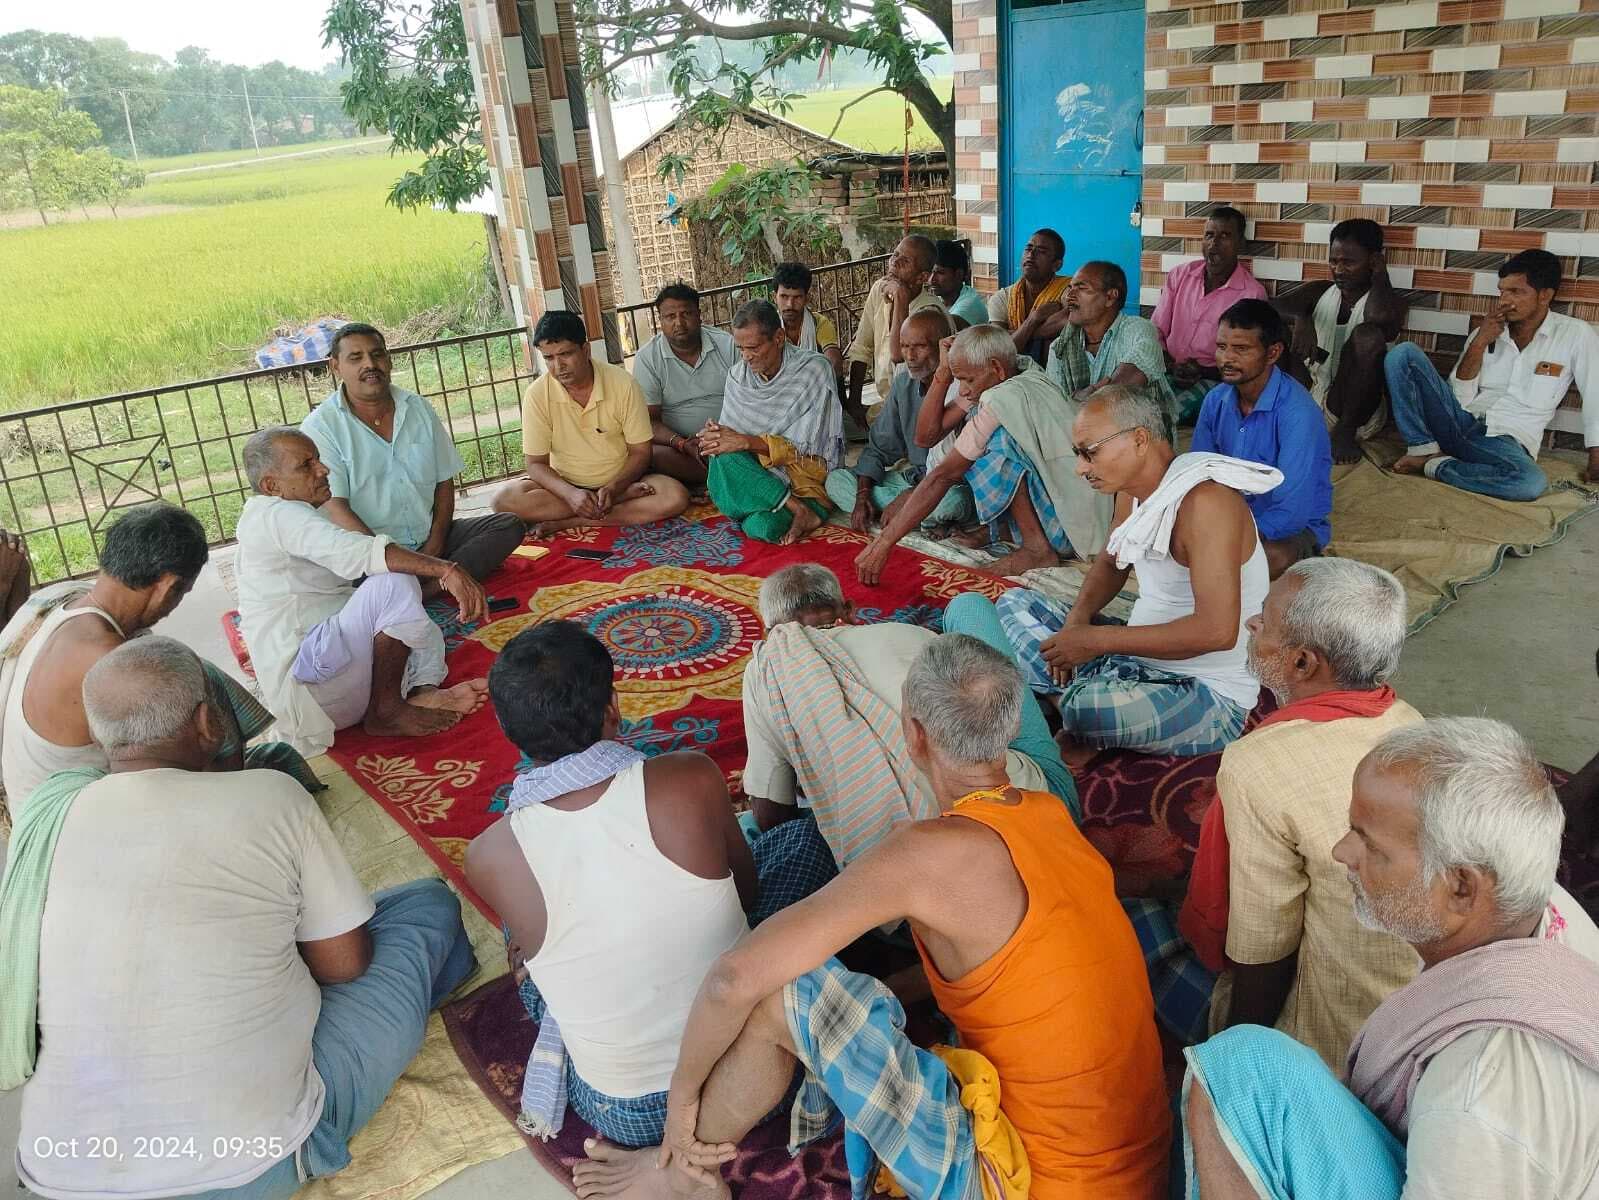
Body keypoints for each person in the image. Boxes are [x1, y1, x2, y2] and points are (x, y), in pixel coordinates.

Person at [570, 635, 1170, 1200]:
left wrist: (679, 1105)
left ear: (913, 734)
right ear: (1011, 728)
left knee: (786, 993)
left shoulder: (927, 853)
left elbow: (733, 979)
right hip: (1140, 1170)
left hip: (1028, 1184)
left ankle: (679, 1173)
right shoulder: (1049, 815)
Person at [4, 636, 477, 1199]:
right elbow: (344, 966)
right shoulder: (272, 795)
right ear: (208, 722)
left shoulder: (50, 813)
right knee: (426, 907)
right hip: (244, 1169)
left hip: (58, 1175)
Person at [1183, 717, 1599, 1200]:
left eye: (1370, 844)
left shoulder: (1477, 1099)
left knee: (1237, 1067)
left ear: (1461, 887)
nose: (1341, 852)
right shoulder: (1537, 908)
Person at [462, 621, 836, 1156]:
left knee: (525, 937)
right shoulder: (688, 776)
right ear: (613, 707)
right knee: (802, 840)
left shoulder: (488, 854)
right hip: (748, 1074)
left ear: (506, 729)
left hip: (618, 1111)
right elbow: (748, 896)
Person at [1124, 558, 1422, 1064]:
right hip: (1414, 1024)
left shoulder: (1258, 763)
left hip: (1332, 1046)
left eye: (1265, 620)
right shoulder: (1409, 721)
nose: (1252, 624)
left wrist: (1243, 1053)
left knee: (1127, 920)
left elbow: (1262, 949)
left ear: (1302, 663)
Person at [990, 386, 1275, 765]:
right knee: (1012, 604)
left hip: (1206, 692)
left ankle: (1070, 705)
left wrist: (1098, 641)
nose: (1080, 468)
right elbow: (1111, 563)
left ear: (1139, 439)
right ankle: (1073, 701)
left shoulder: (1207, 503)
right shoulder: (1132, 492)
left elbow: (1218, 632)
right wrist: (1075, 627)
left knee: (1089, 708)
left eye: (1090, 452)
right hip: (1130, 656)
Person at [743, 565, 1079, 881]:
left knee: (750, 826)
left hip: (921, 876)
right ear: (849, 610)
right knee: (968, 606)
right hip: (1049, 820)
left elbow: (771, 815)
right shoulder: (914, 635)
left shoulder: (770, 668)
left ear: (769, 632)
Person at [0, 502, 318, 820]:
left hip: (29, 801)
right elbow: (191, 767)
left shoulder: (61, 596)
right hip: (68, 821)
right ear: (168, 587)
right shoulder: (114, 663)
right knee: (267, 785)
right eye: (183, 592)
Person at [237, 427, 489, 758]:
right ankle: (387, 711)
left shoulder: (291, 511)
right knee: (395, 583)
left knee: (416, 620)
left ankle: (421, 691)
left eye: (318, 460)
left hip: (336, 683)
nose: (323, 469)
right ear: (272, 486)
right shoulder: (277, 514)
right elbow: (360, 554)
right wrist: (446, 570)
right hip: (311, 692)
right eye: (306, 465)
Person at [854, 324, 1111, 582]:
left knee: (991, 446)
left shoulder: (1000, 398)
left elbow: (943, 476)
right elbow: (925, 438)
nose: (962, 389)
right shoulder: (1024, 371)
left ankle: (1036, 548)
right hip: (1080, 516)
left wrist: (883, 543)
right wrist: (943, 372)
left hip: (1069, 529)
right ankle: (1006, 532)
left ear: (997, 368)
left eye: (967, 380)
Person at [301, 322, 526, 581]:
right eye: (356, 358)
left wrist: (435, 543)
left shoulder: (417, 407)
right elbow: (336, 508)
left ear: (388, 360)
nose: (370, 365)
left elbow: (444, 481)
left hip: (428, 540)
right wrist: (394, 558)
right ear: (335, 366)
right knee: (356, 576)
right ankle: (434, 582)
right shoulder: (321, 427)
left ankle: (427, 586)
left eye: (377, 354)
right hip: (369, 552)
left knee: (507, 526)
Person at [1387, 248, 1599, 496]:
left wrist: (1596, 456)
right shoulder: (1487, 331)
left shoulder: (1574, 335)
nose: (1504, 301)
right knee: (1403, 354)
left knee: (1529, 483)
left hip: (1505, 441)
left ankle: (1436, 464)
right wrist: (1479, 343)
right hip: (1459, 421)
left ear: (1545, 295)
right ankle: (1422, 448)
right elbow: (1459, 396)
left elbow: (1595, 393)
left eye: (1516, 292)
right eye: (1502, 291)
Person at [492, 310, 690, 532]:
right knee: (504, 500)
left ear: (585, 350)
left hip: (620, 481)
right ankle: (614, 503)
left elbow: (641, 452)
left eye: (565, 354)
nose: (558, 366)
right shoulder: (537, 395)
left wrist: (614, 488)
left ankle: (578, 520)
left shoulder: (623, 384)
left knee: (674, 496)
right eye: (549, 358)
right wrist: (571, 494)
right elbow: (535, 464)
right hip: (565, 488)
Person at [1191, 299, 1333, 578]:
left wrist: (1230, 539)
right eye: (1221, 347)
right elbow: (1198, 475)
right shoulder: (1215, 401)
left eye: (1241, 349)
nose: (1227, 358)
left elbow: (1291, 511)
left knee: (1268, 559)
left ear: (1272, 353)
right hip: (1226, 519)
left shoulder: (1299, 413)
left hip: (1283, 529)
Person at [823, 309, 977, 537]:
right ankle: (909, 515)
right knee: (836, 481)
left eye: (920, 346)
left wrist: (910, 497)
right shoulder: (904, 382)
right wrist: (862, 496)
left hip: (946, 486)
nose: (910, 356)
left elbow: (965, 470)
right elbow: (878, 448)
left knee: (955, 501)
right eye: (904, 346)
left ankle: (904, 513)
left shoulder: (965, 388)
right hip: (912, 480)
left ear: (943, 347)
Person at [701, 299, 841, 545]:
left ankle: (779, 503)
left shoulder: (814, 370)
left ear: (778, 338)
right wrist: (716, 435)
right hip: (758, 472)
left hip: (802, 479)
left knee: (763, 526)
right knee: (719, 455)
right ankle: (796, 509)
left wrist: (747, 442)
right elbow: (731, 439)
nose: (746, 357)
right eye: (740, 348)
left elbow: (810, 450)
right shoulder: (737, 376)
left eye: (753, 348)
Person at [1276, 219, 1407, 463]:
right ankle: (1280, 411)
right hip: (1310, 394)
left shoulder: (1390, 303)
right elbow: (1266, 307)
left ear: (1374, 261)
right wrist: (1300, 317)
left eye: (1349, 262)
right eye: (1334, 261)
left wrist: (1381, 275)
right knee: (1271, 326)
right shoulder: (1320, 291)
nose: (1338, 270)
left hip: (1354, 414)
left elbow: (1379, 320)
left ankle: (1344, 433)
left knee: (1367, 336)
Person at [1150, 207, 1267, 424]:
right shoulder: (1180, 275)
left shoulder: (1252, 293)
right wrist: (1169, 364)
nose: (1214, 243)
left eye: (1225, 236)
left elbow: (1247, 359)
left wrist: (1202, 371)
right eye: (1209, 235)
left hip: (1215, 379)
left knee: (1164, 415)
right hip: (1166, 368)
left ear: (1241, 244)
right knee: (1131, 404)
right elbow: (1156, 331)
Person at [632, 283, 737, 486]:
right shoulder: (648, 358)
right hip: (683, 448)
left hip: (729, 437)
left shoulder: (726, 344)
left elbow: (748, 400)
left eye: (686, 314)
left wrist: (724, 436)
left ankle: (718, 480)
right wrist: (682, 443)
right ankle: (728, 478)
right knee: (652, 454)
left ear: (699, 315)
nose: (679, 323)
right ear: (660, 321)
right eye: (670, 317)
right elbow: (649, 422)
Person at [1045, 260, 1175, 421]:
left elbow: (1130, 379)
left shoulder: (1138, 329)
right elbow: (1054, 410)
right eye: (1070, 288)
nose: (1069, 296)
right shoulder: (1059, 347)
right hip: (1077, 432)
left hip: (1139, 431)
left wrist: (1086, 399)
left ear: (1110, 297)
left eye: (1081, 288)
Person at [845, 235, 950, 424]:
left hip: (919, 408)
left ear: (922, 277)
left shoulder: (929, 313)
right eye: (895, 255)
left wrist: (901, 296)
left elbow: (898, 357)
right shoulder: (880, 289)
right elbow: (862, 348)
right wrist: (854, 404)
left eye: (905, 261)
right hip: (886, 405)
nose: (895, 262)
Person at [986, 227, 1072, 365]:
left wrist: (1017, 334)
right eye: (1028, 248)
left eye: (1042, 251)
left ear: (1057, 265)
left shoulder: (1067, 289)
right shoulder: (1002, 298)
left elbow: (1069, 319)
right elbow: (999, 350)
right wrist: (1033, 320)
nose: (1031, 255)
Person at [772, 261, 845, 380]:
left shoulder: (819, 323)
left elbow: (834, 362)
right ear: (774, 297)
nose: (790, 304)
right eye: (784, 297)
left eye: (797, 297)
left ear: (807, 298)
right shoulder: (769, 327)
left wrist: (810, 384)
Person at [929, 238, 990, 330]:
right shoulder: (940, 300)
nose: (931, 279)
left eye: (940, 273)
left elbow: (935, 330)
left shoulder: (969, 305)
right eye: (930, 272)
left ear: (959, 274)